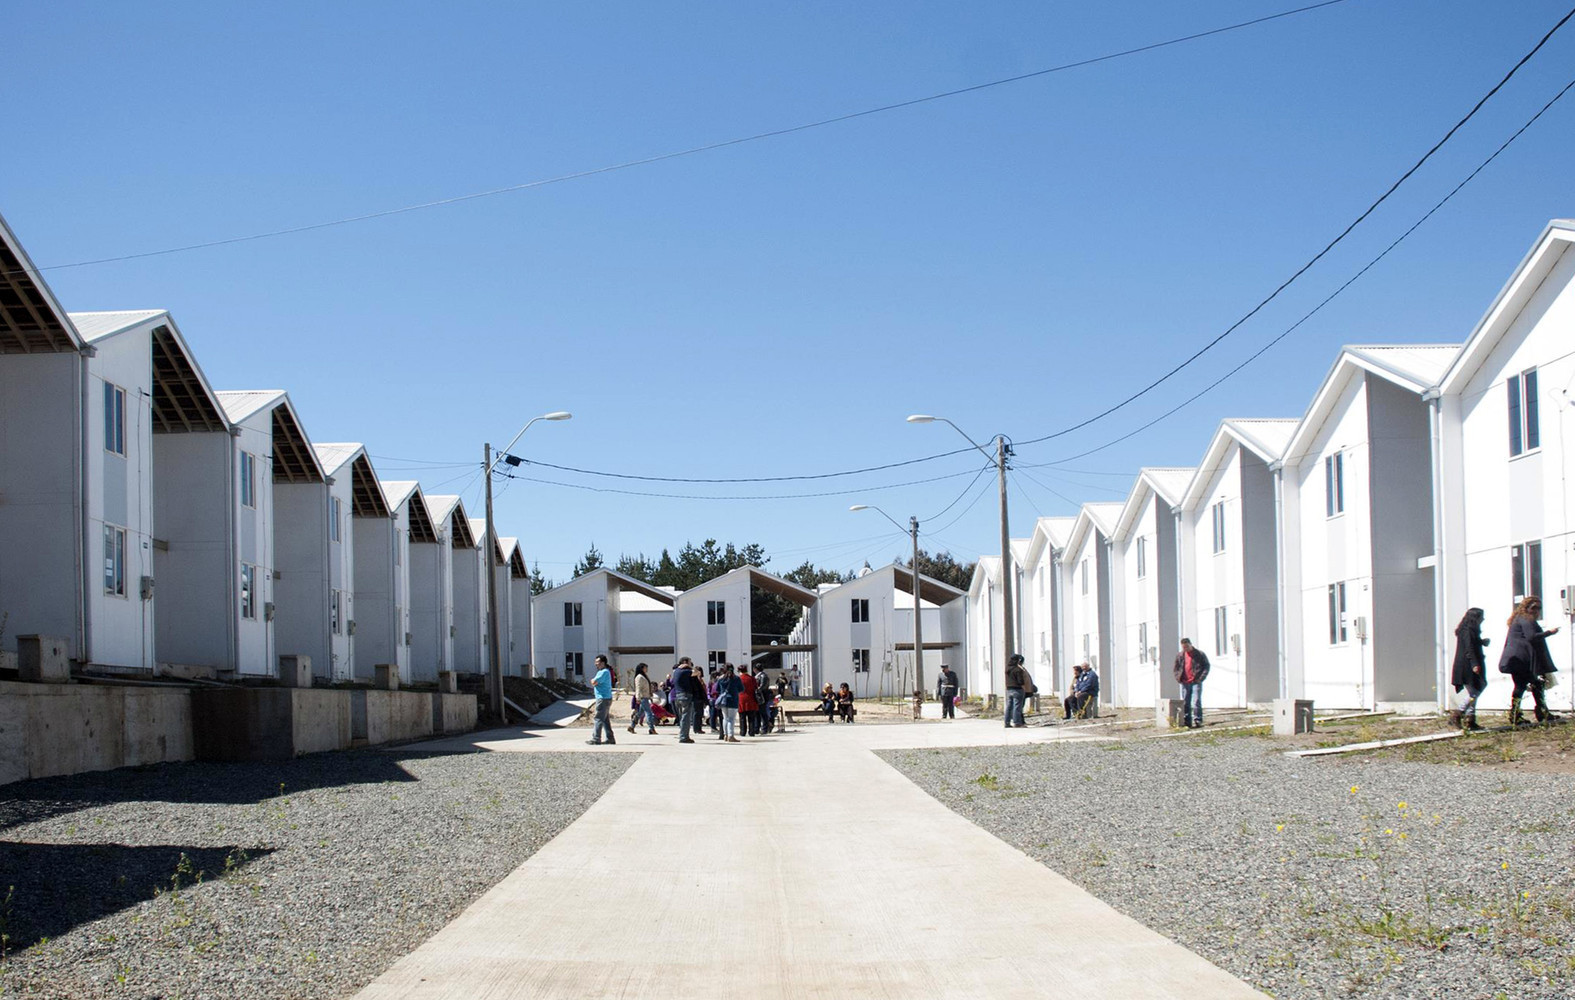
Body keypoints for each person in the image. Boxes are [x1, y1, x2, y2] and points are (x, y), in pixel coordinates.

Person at [1500, 596, 1560, 726]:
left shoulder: (1520, 618)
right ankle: (1523, 714)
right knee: (1525, 686)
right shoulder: (1526, 619)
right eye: (1534, 608)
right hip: (1521, 660)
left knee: (1532, 685)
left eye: (1539, 608)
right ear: (1526, 608)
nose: (1536, 611)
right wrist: (1549, 632)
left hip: (1519, 659)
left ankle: (1533, 713)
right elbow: (1531, 637)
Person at [1449, 608, 1490, 731]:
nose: (1482, 619)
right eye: (1480, 617)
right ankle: (1458, 714)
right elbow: (1469, 648)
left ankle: (1470, 720)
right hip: (1467, 665)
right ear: (1475, 618)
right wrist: (1474, 664)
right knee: (1475, 691)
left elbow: (1472, 644)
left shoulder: (1469, 630)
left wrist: (1482, 642)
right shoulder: (1467, 631)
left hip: (1468, 664)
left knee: (1476, 690)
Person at [1173, 639, 1211, 730]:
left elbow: (1206, 666)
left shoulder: (1199, 654)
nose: (1185, 648)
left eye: (1187, 646)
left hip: (1196, 681)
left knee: (1196, 701)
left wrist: (1201, 678)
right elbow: (1176, 668)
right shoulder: (1180, 655)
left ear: (1190, 644)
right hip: (1185, 682)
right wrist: (1178, 677)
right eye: (1183, 647)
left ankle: (1198, 720)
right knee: (1186, 702)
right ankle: (1187, 721)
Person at [587, 654, 616, 745]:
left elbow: (594, 682)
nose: (596, 664)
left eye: (598, 662)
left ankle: (596, 738)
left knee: (598, 718)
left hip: (602, 698)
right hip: (605, 698)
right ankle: (610, 738)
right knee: (605, 719)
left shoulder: (603, 672)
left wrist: (593, 681)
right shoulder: (603, 672)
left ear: (603, 662)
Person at [670, 658, 697, 744]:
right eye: (689, 662)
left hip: (678, 696)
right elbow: (697, 672)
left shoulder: (676, 671)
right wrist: (690, 667)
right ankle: (684, 737)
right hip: (686, 695)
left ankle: (682, 734)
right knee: (686, 717)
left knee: (682, 717)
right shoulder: (685, 671)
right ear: (685, 663)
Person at [627, 662, 656, 735]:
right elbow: (638, 688)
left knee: (639, 713)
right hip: (643, 697)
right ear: (642, 668)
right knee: (649, 713)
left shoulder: (644, 676)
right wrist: (638, 698)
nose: (647, 669)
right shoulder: (639, 677)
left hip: (646, 696)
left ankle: (632, 726)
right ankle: (651, 728)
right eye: (645, 668)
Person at [1003, 653, 1031, 728]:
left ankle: (1007, 722)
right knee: (1017, 707)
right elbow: (1020, 681)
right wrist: (1024, 688)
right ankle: (1017, 722)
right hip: (1017, 689)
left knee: (1009, 706)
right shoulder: (1017, 669)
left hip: (1009, 689)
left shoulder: (1007, 668)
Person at [717, 664, 742, 743]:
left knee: (725, 718)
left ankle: (725, 735)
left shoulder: (720, 679)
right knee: (731, 718)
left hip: (723, 700)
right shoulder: (736, 678)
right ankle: (731, 735)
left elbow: (717, 689)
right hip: (733, 699)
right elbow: (741, 688)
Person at [738, 664, 760, 737]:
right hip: (751, 699)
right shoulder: (752, 678)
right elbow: (756, 687)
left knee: (742, 717)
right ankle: (751, 731)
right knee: (751, 717)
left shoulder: (739, 679)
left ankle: (742, 731)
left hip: (741, 699)